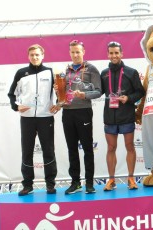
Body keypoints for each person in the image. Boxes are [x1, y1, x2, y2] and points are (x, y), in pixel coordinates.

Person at [8, 44, 59, 196]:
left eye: (37, 55)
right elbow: (12, 94)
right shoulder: (21, 73)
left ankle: (50, 184)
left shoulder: (51, 72)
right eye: (32, 55)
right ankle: (27, 185)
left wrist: (58, 105)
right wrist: (16, 107)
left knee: (48, 150)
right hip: (27, 119)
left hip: (45, 117)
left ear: (43, 55)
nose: (35, 57)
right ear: (28, 56)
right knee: (27, 151)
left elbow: (61, 92)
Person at [56, 40, 101, 195]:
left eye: (78, 52)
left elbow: (99, 91)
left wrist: (84, 95)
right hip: (67, 112)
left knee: (88, 149)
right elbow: (63, 94)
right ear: (70, 53)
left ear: (83, 52)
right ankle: (75, 183)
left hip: (83, 112)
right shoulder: (66, 71)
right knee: (72, 149)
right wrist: (58, 92)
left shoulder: (91, 69)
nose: (75, 55)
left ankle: (89, 183)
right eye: (73, 52)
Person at [100, 41, 145, 191]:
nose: (114, 56)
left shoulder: (131, 72)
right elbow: (98, 91)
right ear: (108, 54)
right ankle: (111, 180)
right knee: (111, 147)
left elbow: (140, 92)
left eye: (116, 53)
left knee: (129, 146)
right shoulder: (104, 73)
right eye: (111, 53)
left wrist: (129, 98)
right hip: (110, 116)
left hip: (126, 115)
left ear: (121, 54)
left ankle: (131, 178)